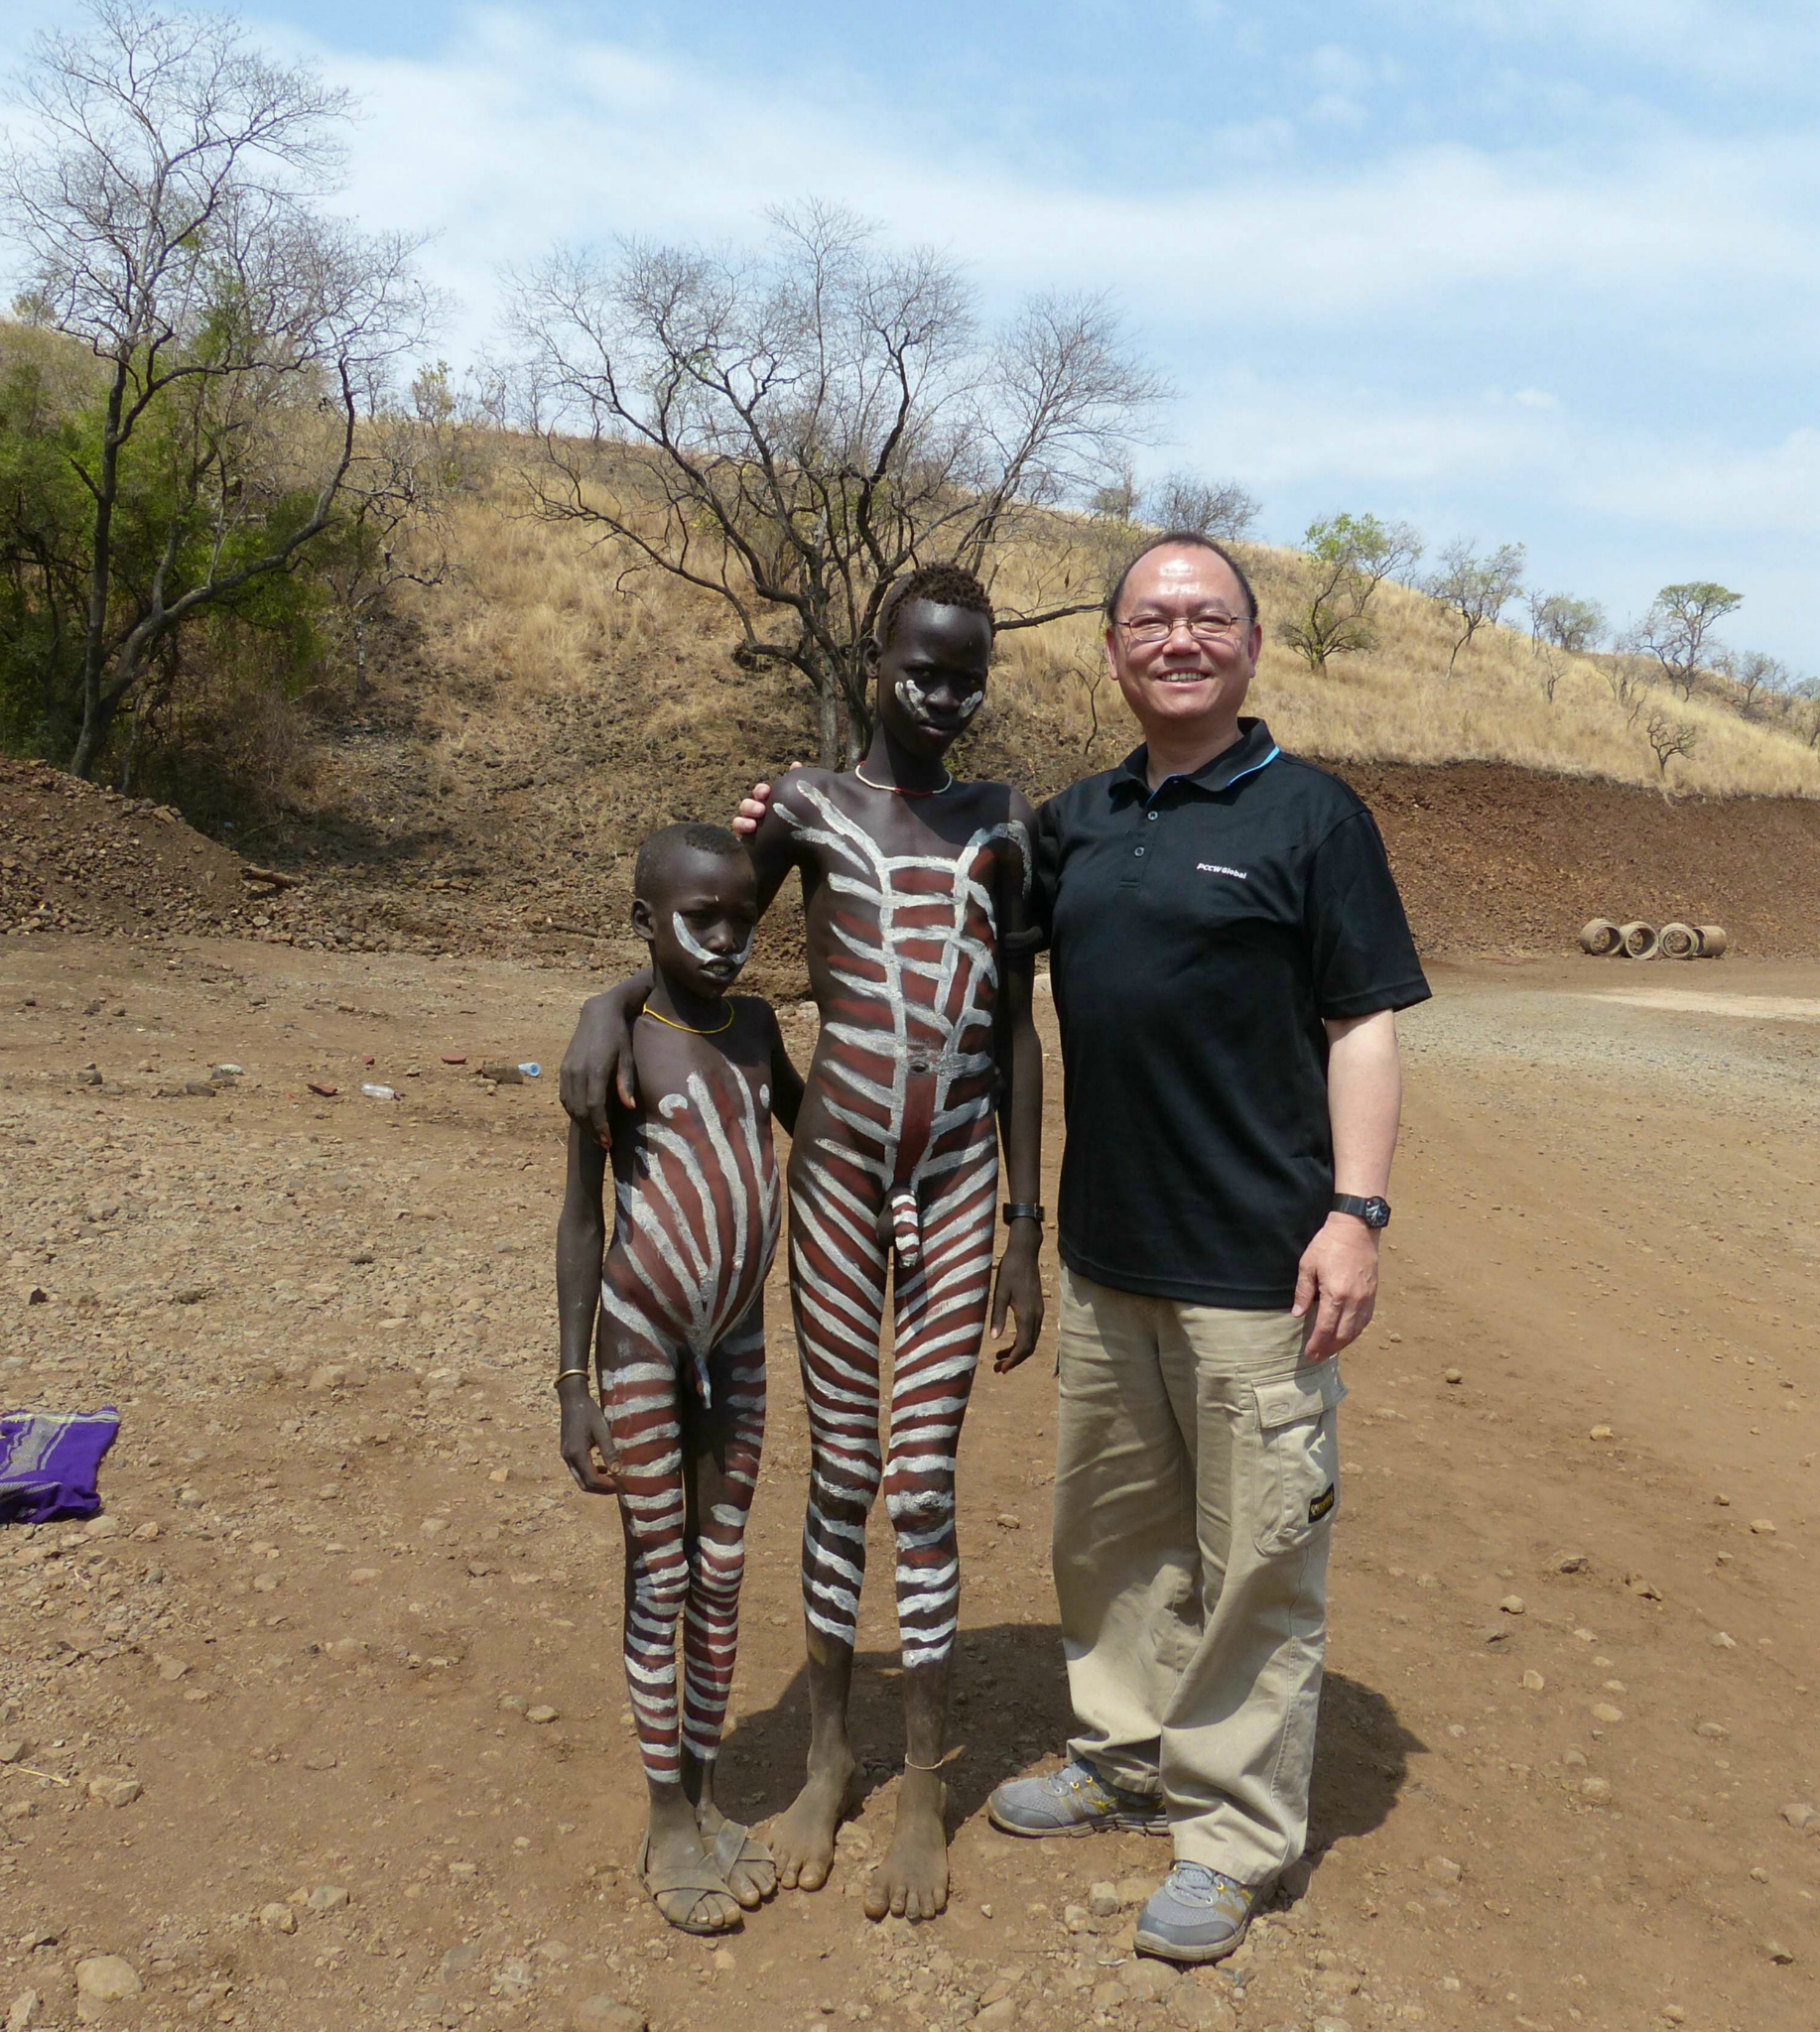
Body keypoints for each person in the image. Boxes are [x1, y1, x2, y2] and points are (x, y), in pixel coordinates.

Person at [560, 563, 1045, 1924]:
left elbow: (1012, 1023)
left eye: (967, 673)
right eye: (920, 667)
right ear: (872, 656)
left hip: (951, 1177)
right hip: (833, 1172)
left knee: (925, 1476)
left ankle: (916, 1787)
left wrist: (1022, 1221)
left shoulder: (1004, 822)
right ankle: (826, 1756)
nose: (941, 694)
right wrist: (606, 1005)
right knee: (842, 1470)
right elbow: (698, 929)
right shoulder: (805, 804)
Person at [980, 531, 1431, 1965]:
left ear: (1249, 645)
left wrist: (1354, 1215)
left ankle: (1231, 1832)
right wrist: (778, 823)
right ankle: (1122, 1756)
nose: (1177, 638)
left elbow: (1362, 1021)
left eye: (1207, 617)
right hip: (1110, 1261)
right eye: (1150, 619)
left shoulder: (1311, 816)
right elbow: (949, 907)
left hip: (1257, 1269)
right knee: (1108, 1539)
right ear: (1110, 647)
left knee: (1254, 1565)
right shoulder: (1079, 818)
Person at [555, 821, 805, 1937]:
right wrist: (573, 1383)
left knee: (723, 1561)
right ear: (643, 921)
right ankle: (665, 1815)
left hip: (740, 1336)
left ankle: (705, 1787)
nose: (726, 939)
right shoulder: (618, 1048)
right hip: (643, 1336)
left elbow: (821, 1124)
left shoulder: (756, 1029)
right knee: (658, 1566)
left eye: (743, 918)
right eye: (699, 918)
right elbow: (579, 1219)